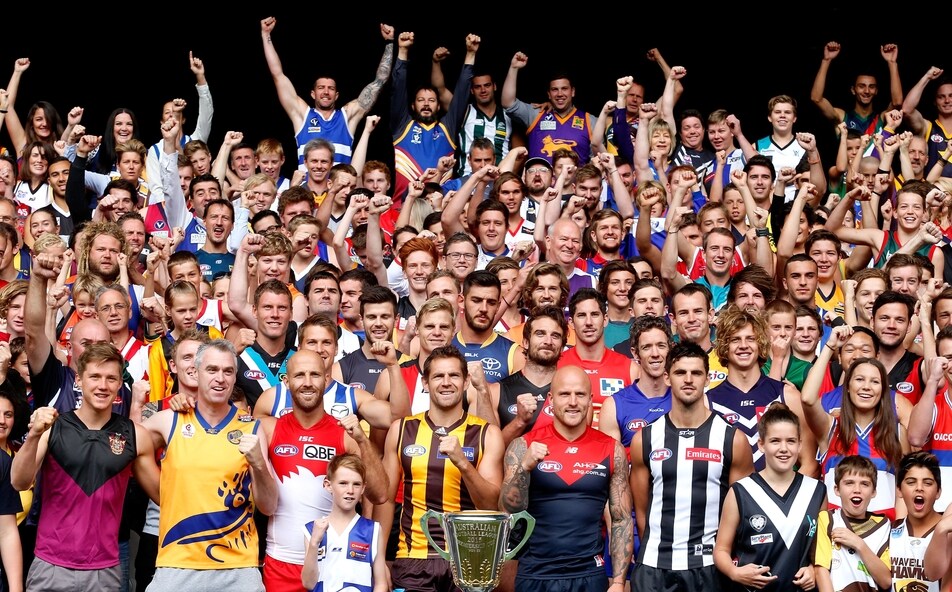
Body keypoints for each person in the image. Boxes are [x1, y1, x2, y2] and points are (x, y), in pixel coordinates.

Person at [11, 343, 159, 591]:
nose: (103, 385)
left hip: (104, 570)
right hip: (51, 565)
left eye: (111, 378)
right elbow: (18, 481)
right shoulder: (52, 426)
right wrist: (34, 435)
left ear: (119, 384)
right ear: (78, 380)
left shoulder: (135, 435)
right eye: (95, 377)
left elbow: (164, 496)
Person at [134, 339, 277, 592]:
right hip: (177, 563)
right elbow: (130, 447)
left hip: (238, 568)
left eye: (228, 371)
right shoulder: (169, 420)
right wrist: (163, 493)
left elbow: (268, 506)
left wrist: (258, 465)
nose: (220, 378)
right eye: (212, 370)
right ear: (196, 373)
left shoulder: (252, 428)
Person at [258, 350, 388, 591]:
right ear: (286, 382)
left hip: (332, 564)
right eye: (299, 375)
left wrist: (362, 440)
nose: (307, 382)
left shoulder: (344, 435)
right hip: (281, 563)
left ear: (327, 379)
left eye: (315, 375)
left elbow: (380, 494)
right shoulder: (267, 428)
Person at [378, 345, 504, 592]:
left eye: (454, 375)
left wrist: (462, 463)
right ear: (425, 383)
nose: (446, 382)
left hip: (468, 559)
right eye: (438, 376)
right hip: (413, 558)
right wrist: (378, 557)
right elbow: (385, 500)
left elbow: (491, 506)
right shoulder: (401, 430)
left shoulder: (487, 434)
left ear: (466, 382)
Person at [630, 342, 754, 592]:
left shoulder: (733, 439)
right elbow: (641, 510)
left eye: (696, 373)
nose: (688, 380)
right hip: (654, 569)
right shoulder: (645, 438)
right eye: (680, 372)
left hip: (709, 569)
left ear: (707, 379)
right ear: (667, 377)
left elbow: (742, 512)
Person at [500, 365, 632, 592]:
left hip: (589, 574)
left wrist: (619, 581)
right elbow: (508, 513)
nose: (573, 402)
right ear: (551, 400)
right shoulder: (524, 446)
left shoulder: (612, 449)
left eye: (580, 394)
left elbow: (621, 520)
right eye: (564, 394)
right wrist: (524, 468)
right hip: (535, 574)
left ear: (590, 399)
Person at [713, 404, 826, 592]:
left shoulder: (817, 491)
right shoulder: (741, 491)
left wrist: (814, 569)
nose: (784, 448)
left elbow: (822, 549)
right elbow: (721, 550)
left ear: (800, 444)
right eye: (775, 441)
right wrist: (735, 573)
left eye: (791, 441)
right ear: (761, 444)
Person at [801, 326, 907, 518]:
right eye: (859, 380)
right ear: (848, 387)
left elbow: (903, 489)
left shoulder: (897, 432)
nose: (866, 387)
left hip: (884, 531)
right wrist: (829, 347)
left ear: (883, 389)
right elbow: (808, 399)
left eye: (875, 382)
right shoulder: (830, 428)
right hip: (836, 530)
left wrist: (898, 530)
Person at [260, 17, 394, 168]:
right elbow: (278, 74)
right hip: (308, 184)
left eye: (331, 88)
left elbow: (379, 81)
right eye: (321, 88)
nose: (326, 92)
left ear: (336, 95)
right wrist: (266, 35)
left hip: (341, 183)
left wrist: (389, 43)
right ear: (313, 94)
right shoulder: (302, 115)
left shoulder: (347, 116)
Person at [707, 306, 817, 474]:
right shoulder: (708, 402)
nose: (744, 345)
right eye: (735, 340)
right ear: (724, 347)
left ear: (760, 344)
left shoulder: (787, 396)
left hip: (781, 490)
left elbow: (810, 463)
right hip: (729, 490)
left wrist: (782, 490)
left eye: (751, 339)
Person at [390, 32, 477, 201]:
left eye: (431, 100)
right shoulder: (402, 126)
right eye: (421, 100)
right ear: (413, 106)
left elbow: (461, 94)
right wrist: (402, 51)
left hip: (439, 204)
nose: (426, 104)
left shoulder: (447, 127)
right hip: (403, 205)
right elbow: (398, 89)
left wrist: (471, 54)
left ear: (438, 106)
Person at [301, 454, 388, 592]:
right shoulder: (312, 529)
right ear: (328, 485)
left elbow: (381, 584)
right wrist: (314, 543)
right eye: (343, 483)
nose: (350, 491)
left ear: (363, 488)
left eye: (356, 484)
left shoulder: (373, 530)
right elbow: (308, 583)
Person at [487, 305, 566, 446]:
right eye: (540, 334)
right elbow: (491, 451)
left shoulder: (573, 393)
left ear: (562, 346)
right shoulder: (497, 391)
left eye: (555, 336)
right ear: (525, 342)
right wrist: (520, 421)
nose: (548, 341)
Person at [558, 288, 637, 428]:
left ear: (605, 319)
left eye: (594, 314)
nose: (588, 322)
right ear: (571, 322)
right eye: (581, 315)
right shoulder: (557, 365)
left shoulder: (630, 368)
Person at [814, 455, 893, 592]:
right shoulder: (827, 519)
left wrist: (859, 544)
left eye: (865, 484)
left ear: (874, 492)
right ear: (837, 490)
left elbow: (886, 581)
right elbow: (821, 570)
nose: (857, 489)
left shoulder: (883, 524)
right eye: (849, 483)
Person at [502, 53, 596, 165]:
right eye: (555, 89)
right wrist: (514, 68)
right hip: (539, 176)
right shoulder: (536, 114)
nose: (560, 94)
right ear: (549, 94)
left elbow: (595, 161)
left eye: (564, 88)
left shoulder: (590, 121)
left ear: (573, 92)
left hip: (575, 177)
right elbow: (508, 103)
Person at [599, 315, 672, 448]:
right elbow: (610, 458)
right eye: (646, 347)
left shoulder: (686, 398)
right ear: (635, 353)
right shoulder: (614, 406)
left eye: (661, 346)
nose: (655, 354)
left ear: (670, 348)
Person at [810, 41, 902, 137]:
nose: (867, 91)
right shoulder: (842, 117)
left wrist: (892, 63)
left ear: (876, 91)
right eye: (861, 86)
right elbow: (816, 99)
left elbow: (897, 102)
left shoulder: (882, 118)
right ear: (853, 90)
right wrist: (826, 60)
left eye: (871, 87)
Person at [889, 451, 947, 592]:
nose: (919, 488)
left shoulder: (948, 531)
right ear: (899, 490)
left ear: (938, 492)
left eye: (927, 483)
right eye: (911, 482)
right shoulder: (887, 531)